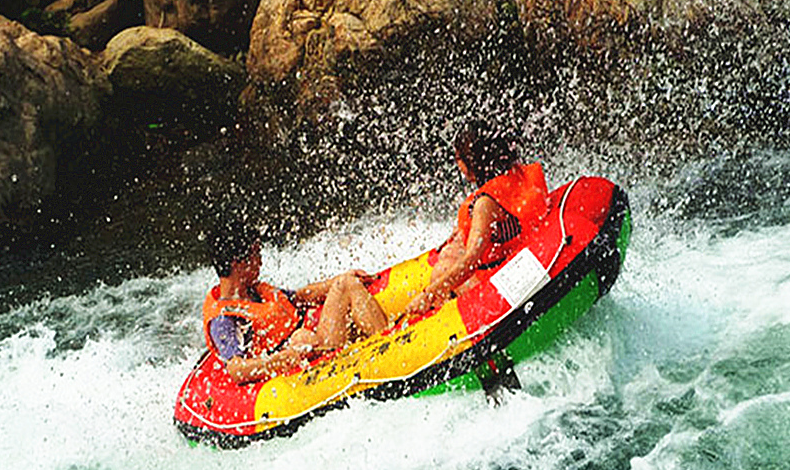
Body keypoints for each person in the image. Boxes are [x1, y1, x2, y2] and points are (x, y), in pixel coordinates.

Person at [203, 222, 388, 383]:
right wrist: (285, 358)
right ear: (238, 264)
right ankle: (389, 348)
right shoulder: (224, 321)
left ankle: (387, 339)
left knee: (345, 283)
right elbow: (236, 370)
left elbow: (299, 297)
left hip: (316, 344)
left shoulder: (253, 291)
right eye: (255, 255)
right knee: (305, 334)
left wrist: (337, 279)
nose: (260, 262)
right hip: (306, 365)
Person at [406, 119, 550, 317]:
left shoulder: (485, 204)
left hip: (497, 283)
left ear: (471, 161)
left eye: (458, 158)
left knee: (442, 270)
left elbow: (472, 259)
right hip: (517, 258)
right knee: (450, 254)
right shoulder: (516, 176)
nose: (458, 165)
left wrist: (428, 295)